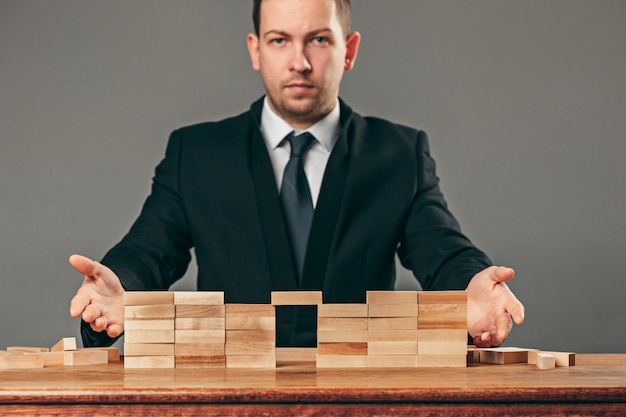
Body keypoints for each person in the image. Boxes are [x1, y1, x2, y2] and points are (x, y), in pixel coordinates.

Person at [70, 0, 524, 349]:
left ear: (349, 50)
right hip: (231, 404)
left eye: (319, 40)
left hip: (357, 402)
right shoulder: (197, 154)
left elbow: (442, 250)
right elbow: (149, 250)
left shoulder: (399, 154)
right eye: (279, 40)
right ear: (255, 50)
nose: (300, 61)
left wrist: (472, 287)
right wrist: (118, 287)